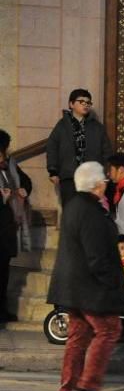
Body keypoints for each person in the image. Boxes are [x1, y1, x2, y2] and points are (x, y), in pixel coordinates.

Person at [46, 162, 124, 391]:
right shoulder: (90, 211)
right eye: (104, 181)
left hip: (73, 284)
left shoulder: (74, 205)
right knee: (109, 329)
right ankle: (89, 385)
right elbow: (96, 254)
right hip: (90, 285)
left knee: (78, 335)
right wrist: (112, 281)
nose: (106, 184)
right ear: (97, 185)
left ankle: (68, 387)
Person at [46, 89, 113, 206]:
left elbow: (106, 151)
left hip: (92, 177)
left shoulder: (97, 127)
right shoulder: (62, 125)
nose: (86, 105)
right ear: (71, 104)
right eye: (81, 101)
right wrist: (53, 170)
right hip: (69, 176)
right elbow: (52, 147)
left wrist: (105, 172)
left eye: (88, 102)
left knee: (90, 211)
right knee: (70, 210)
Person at [0, 130, 32, 323]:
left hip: (6, 229)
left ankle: (2, 311)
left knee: (4, 274)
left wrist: (23, 189)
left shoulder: (10, 165)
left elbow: (26, 181)